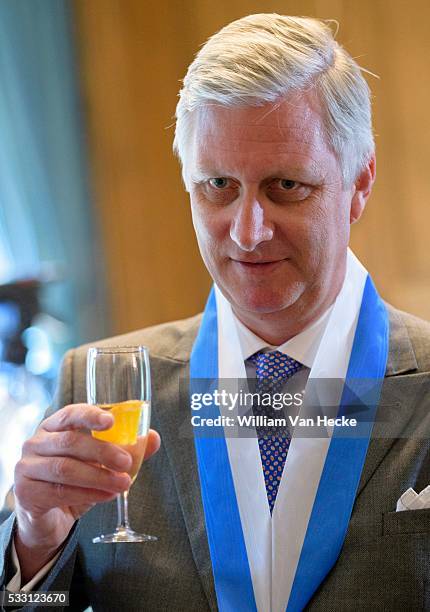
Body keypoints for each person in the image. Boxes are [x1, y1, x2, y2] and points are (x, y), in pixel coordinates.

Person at [1, 13, 429, 612]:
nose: (248, 232)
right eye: (218, 186)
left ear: (359, 183)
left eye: (285, 186)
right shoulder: (96, 393)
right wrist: (34, 544)